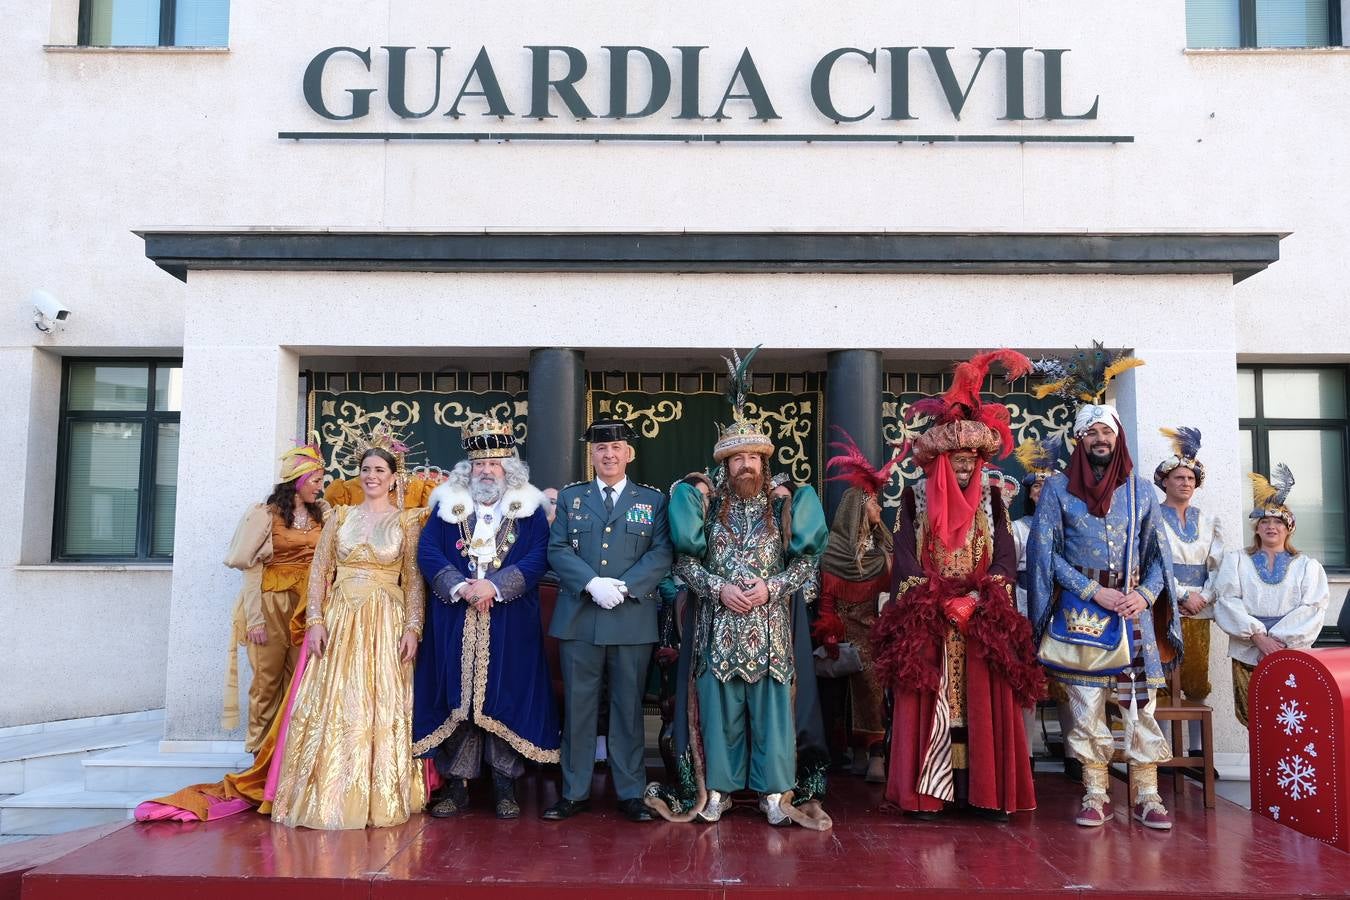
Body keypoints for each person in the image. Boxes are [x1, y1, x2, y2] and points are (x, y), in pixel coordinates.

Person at [644, 348, 830, 829]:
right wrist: (717, 589)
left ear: (764, 461)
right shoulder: (703, 505)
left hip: (770, 633)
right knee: (718, 712)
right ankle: (719, 791)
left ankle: (774, 792)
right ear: (723, 464)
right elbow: (684, 562)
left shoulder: (785, 504)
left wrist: (772, 588)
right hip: (716, 631)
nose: (745, 465)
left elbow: (807, 563)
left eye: (752, 457)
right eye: (736, 458)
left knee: (771, 715)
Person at [872, 351, 1042, 821]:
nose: (964, 469)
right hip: (930, 620)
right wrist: (940, 601)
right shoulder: (916, 500)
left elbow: (1005, 557)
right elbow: (905, 560)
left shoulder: (995, 501)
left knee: (984, 707)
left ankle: (983, 793)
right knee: (930, 705)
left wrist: (977, 598)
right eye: (956, 460)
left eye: (970, 460)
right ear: (941, 462)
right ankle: (929, 795)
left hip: (983, 619)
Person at [135, 439, 330, 823]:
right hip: (273, 606)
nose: (321, 486)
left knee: (302, 683)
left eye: (322, 480)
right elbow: (244, 562)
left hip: (308, 608)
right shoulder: (266, 514)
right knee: (267, 682)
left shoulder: (324, 513)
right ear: (298, 480)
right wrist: (255, 618)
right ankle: (260, 758)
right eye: (316, 479)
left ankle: (289, 758)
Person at [1028, 344, 1181, 830]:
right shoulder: (1056, 490)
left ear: (1117, 438)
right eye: (1091, 431)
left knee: (1140, 703)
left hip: (1133, 610)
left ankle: (1148, 794)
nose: (1099, 438)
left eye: (1106, 431)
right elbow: (1044, 554)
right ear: (1078, 440)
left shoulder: (1139, 490)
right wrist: (1093, 592)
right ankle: (1095, 791)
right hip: (1083, 611)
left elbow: (1161, 556)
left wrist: (1146, 596)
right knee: (1087, 702)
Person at [269, 439, 429, 830]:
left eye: (379, 471)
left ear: (393, 479)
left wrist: (413, 627)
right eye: (366, 469)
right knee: (336, 702)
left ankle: (380, 795)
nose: (371, 476)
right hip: (340, 619)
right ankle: (328, 793)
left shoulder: (406, 521)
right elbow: (320, 572)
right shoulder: (340, 516)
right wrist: (317, 621)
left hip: (386, 620)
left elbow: (413, 581)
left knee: (380, 702)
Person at [412, 415, 560, 819]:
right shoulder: (446, 507)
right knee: (457, 699)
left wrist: (494, 586)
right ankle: (457, 787)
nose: (486, 471)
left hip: (509, 619)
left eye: (493, 464)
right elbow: (428, 553)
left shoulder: (528, 509)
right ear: (469, 469)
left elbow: (537, 556)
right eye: (479, 465)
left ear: (507, 468)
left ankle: (504, 785)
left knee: (505, 696)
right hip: (454, 617)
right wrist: (461, 586)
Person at [542, 419, 673, 822]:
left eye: (616, 447)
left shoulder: (652, 501)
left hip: (631, 618)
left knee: (627, 708)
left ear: (629, 453)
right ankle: (574, 791)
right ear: (592, 455)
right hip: (580, 616)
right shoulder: (572, 498)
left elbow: (662, 551)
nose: (609, 454)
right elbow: (558, 547)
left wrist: (626, 586)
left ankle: (631, 792)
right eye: (601, 449)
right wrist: (592, 582)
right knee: (579, 709)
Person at [1215, 465, 1330, 726]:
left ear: (1288, 528)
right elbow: (1227, 600)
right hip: (1247, 649)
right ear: (1256, 529)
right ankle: (1258, 767)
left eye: (1278, 521)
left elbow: (1312, 607)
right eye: (1264, 522)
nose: (1271, 527)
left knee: (1290, 714)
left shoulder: (1307, 566)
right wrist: (1257, 637)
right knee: (1252, 714)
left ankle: (1284, 766)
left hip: (1290, 650)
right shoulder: (1237, 561)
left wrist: (1276, 641)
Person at [813, 429, 896, 784]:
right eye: (874, 503)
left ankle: (875, 752)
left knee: (872, 685)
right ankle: (848, 750)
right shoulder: (832, 552)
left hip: (874, 632)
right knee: (836, 693)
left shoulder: (880, 550)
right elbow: (826, 601)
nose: (879, 508)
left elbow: (895, 563)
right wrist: (829, 633)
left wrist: (879, 528)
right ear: (858, 509)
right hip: (842, 636)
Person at [1154, 426, 1225, 750]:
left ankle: (1197, 751)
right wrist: (1181, 595)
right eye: (1179, 478)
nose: (1185, 483)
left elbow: (1219, 566)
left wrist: (1204, 596)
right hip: (1164, 605)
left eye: (1190, 479)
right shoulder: (1151, 515)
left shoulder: (1210, 520)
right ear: (1165, 480)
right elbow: (1153, 560)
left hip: (1200, 609)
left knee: (1197, 676)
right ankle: (1165, 749)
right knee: (1164, 677)